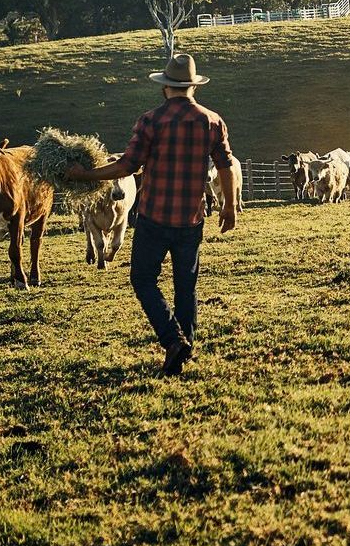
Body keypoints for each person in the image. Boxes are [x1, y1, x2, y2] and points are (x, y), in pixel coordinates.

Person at [68, 53, 236, 376]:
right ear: (193, 88)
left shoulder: (150, 121)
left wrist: (84, 176)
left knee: (142, 279)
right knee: (185, 285)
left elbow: (127, 166)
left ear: (165, 88)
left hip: (154, 218)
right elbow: (226, 165)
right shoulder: (212, 121)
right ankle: (184, 347)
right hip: (191, 219)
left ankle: (174, 340)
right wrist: (229, 206)